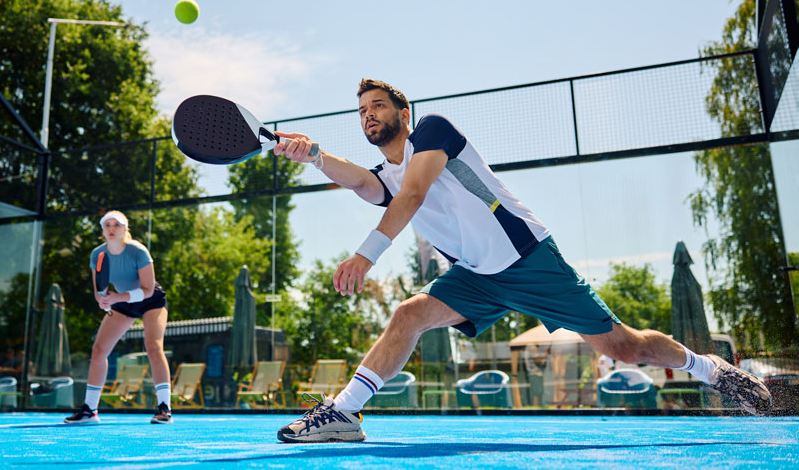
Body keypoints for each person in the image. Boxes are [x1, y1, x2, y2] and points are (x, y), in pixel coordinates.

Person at [273, 79, 772, 443]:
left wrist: (366, 254)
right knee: (408, 314)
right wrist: (314, 155)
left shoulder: (433, 131)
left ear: (403, 112)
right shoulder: (386, 171)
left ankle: (712, 371)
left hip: (529, 259)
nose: (368, 115)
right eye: (361, 110)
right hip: (474, 277)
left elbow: (415, 194)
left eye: (377, 105)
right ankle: (344, 413)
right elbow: (364, 182)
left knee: (624, 347)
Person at [64, 210, 172, 424]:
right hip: (121, 301)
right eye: (107, 225)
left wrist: (116, 298)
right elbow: (98, 290)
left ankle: (164, 409)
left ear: (125, 229)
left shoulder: (138, 251)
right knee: (99, 350)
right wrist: (103, 300)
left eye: (117, 225)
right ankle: (90, 411)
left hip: (151, 300)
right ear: (103, 230)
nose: (112, 229)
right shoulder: (97, 255)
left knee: (153, 347)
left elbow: (148, 289)